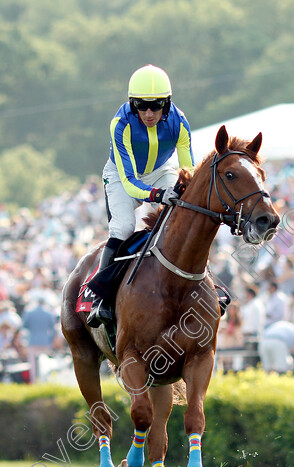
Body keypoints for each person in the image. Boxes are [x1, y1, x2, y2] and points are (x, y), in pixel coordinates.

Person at [86, 64, 194, 328]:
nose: (148, 113)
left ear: (166, 104)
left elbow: (188, 170)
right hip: (123, 176)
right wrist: (158, 194)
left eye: (155, 106)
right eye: (141, 106)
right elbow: (131, 183)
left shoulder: (180, 123)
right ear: (132, 104)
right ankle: (99, 297)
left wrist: (179, 190)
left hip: (161, 171)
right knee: (123, 227)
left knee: (182, 215)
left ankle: (205, 280)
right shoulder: (120, 124)